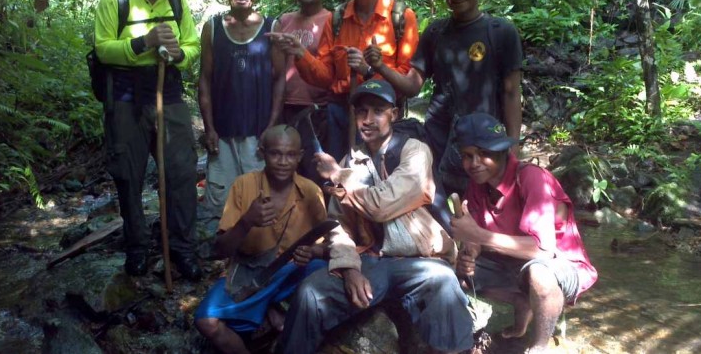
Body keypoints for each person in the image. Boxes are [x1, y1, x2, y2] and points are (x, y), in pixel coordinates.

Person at [280, 79, 474, 354]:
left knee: (442, 281)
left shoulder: (415, 151)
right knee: (310, 293)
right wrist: (349, 270)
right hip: (371, 260)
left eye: (378, 111)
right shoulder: (352, 161)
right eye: (361, 112)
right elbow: (339, 226)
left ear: (394, 114)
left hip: (418, 260)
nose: (367, 120)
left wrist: (338, 175)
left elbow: (382, 204)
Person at [93, 0, 201, 280]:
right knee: (129, 175)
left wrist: (179, 54)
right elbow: (102, 49)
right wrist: (145, 42)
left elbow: (192, 44)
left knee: (182, 172)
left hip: (166, 94)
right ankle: (137, 247)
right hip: (125, 98)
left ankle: (183, 248)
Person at [449, 112, 597, 353]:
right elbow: (475, 235)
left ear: (502, 152)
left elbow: (543, 250)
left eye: (484, 154)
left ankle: (539, 345)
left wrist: (479, 236)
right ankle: (521, 302)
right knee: (453, 271)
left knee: (539, 274)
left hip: (559, 263)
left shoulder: (531, 178)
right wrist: (470, 253)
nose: (474, 163)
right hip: (509, 262)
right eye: (467, 156)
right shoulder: (477, 185)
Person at [379, 0, 523, 199]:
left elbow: (511, 92)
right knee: (438, 196)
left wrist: (513, 145)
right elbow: (414, 85)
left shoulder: (501, 32)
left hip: (482, 135)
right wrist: (380, 67)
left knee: (481, 200)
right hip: (439, 134)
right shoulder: (436, 31)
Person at [269, 0, 419, 161]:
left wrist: (372, 69)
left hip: (382, 114)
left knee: (380, 177)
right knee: (338, 176)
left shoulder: (402, 17)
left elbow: (408, 82)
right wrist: (301, 53)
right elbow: (325, 77)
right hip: (340, 112)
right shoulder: (337, 18)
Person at [194, 125, 327, 353]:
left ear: (300, 156)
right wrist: (246, 222)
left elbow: (328, 246)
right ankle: (266, 311)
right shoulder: (244, 185)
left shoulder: (312, 192)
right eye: (275, 153)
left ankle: (273, 308)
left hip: (290, 272)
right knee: (207, 321)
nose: (283, 162)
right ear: (262, 152)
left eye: (290, 155)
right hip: (250, 273)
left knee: (325, 272)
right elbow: (221, 250)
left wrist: (313, 252)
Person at [199, 0, 286, 212]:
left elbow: (280, 78)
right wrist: (209, 128)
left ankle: (257, 251)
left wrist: (271, 126)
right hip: (222, 134)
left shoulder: (271, 28)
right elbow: (205, 78)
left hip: (256, 134)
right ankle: (223, 250)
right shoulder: (213, 27)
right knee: (221, 205)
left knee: (258, 202)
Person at [270, 0, 332, 185]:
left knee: (315, 173)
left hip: (316, 111)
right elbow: (277, 68)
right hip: (286, 107)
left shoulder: (331, 21)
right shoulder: (284, 21)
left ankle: (318, 218)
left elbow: (330, 68)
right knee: (284, 173)